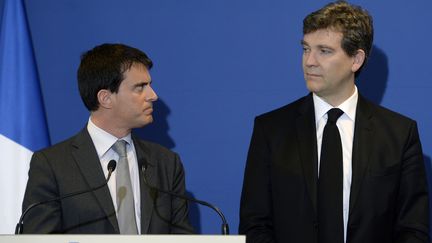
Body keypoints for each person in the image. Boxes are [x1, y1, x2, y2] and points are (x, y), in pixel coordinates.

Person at [239, 1, 429, 243]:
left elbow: (413, 230)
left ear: (356, 60)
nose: (309, 61)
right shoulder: (271, 130)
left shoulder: (400, 134)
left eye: (324, 51)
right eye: (306, 49)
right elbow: (254, 226)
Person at [21, 43, 193, 234]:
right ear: (105, 98)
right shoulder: (52, 166)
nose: (153, 95)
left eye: (150, 85)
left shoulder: (166, 163)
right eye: (140, 87)